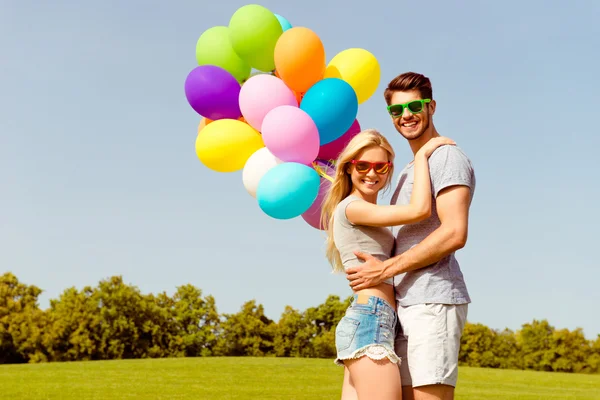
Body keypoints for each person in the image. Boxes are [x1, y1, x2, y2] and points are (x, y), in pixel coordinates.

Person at [345, 72, 476, 400]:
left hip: (432, 301)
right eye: (396, 111)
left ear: (431, 106)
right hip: (403, 306)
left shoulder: (446, 157)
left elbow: (455, 232)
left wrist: (385, 270)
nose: (405, 116)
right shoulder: (408, 170)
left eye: (414, 106)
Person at [320, 129, 454, 400]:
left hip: (376, 320)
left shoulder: (366, 211)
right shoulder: (352, 208)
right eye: (363, 166)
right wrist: (422, 156)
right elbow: (419, 211)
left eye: (381, 166)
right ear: (348, 168)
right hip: (371, 319)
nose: (372, 173)